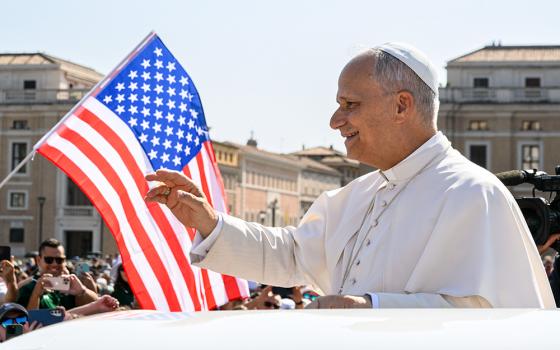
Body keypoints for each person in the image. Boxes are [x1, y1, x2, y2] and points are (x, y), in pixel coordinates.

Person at [145, 42, 555, 308]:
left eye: (350, 104)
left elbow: (491, 318)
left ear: (401, 106)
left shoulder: (473, 193)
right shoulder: (359, 193)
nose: (335, 120)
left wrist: (372, 307)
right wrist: (210, 222)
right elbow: (290, 254)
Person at [16, 239, 98, 310]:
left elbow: (97, 307)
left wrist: (82, 291)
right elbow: (25, 321)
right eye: (49, 259)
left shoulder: (72, 282)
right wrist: (36, 294)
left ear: (64, 261)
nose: (54, 264)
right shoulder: (28, 287)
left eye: (59, 260)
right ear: (38, 260)